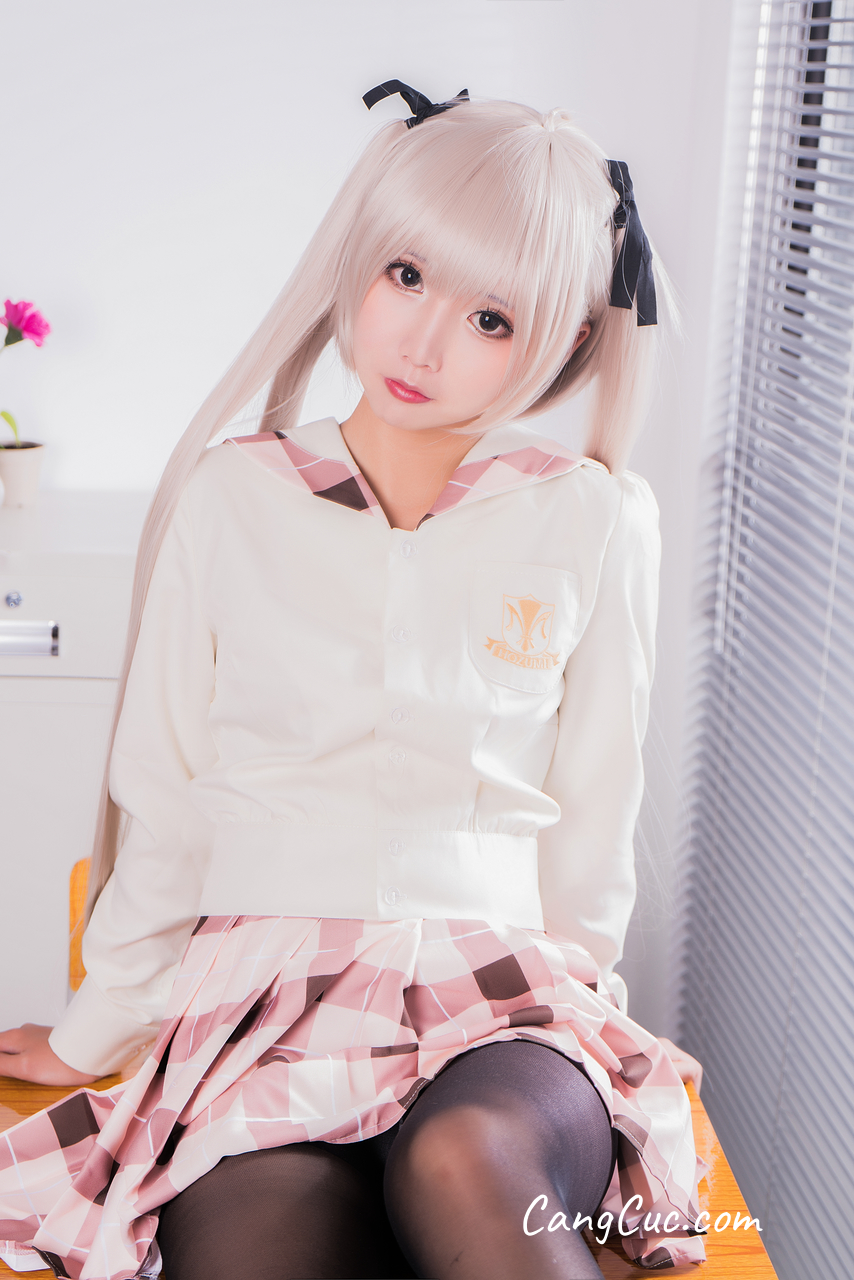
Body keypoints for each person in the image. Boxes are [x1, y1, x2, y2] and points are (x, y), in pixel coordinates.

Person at [0, 84, 705, 1280]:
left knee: (466, 1157)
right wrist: (98, 1027)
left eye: (491, 317)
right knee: (263, 1235)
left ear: (571, 338)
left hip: (500, 1001)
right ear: (356, 256)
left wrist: (597, 1012)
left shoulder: (591, 517)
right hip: (265, 1000)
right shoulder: (234, 495)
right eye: (404, 275)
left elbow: (593, 816)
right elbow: (167, 796)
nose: (422, 343)